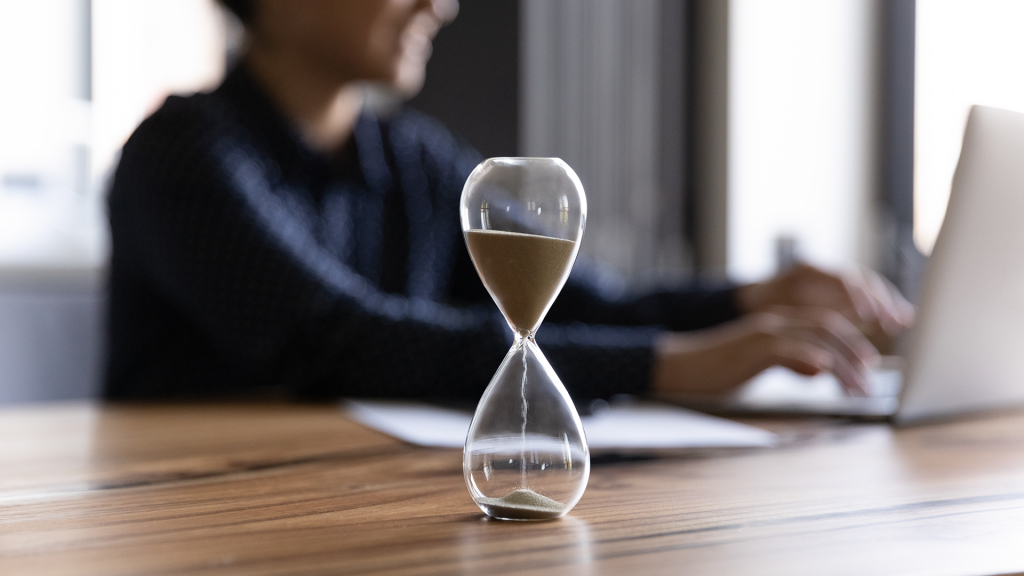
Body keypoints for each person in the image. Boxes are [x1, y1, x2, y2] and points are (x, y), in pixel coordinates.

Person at [104, 0, 913, 401]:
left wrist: (753, 301)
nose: (442, 4)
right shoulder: (180, 153)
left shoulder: (412, 160)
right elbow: (333, 338)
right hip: (207, 519)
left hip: (372, 497)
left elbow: (580, 303)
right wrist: (668, 367)